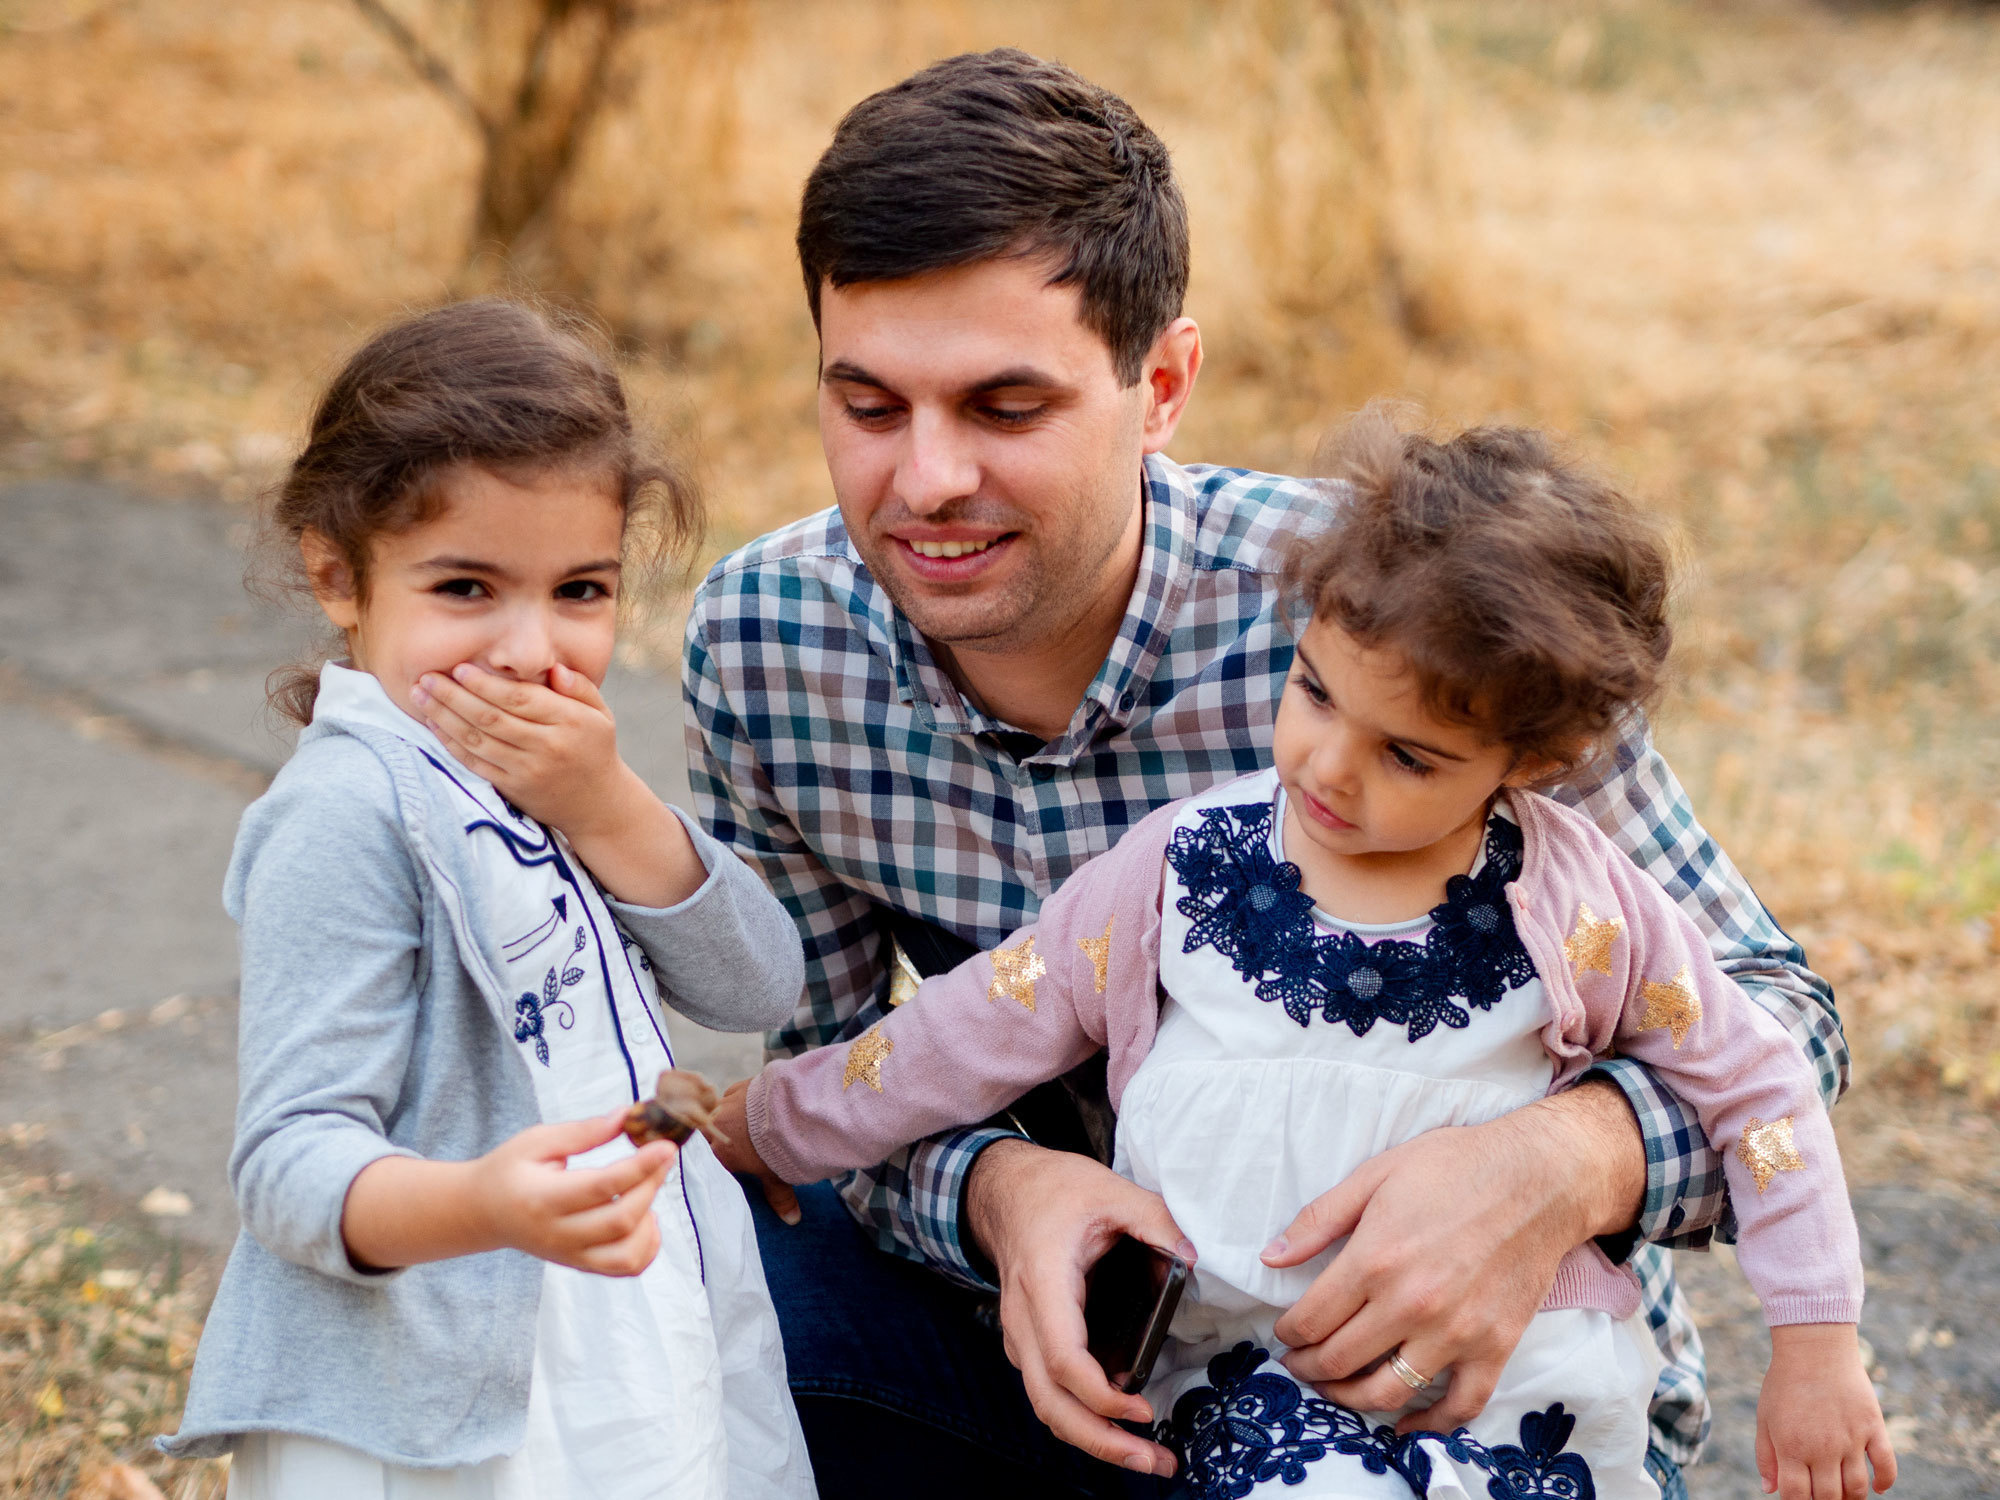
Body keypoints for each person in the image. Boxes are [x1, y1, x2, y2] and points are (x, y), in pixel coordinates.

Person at [673, 47, 1847, 1500]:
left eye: (1005, 408)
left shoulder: (1404, 614)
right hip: (1066, 1353)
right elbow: (824, 1078)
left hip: (1452, 1391)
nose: (924, 483)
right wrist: (996, 1190)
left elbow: (1782, 1021)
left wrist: (1558, 1168)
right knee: (680, 1284)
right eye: (868, 406)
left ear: (1161, 382)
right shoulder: (765, 641)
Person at [725, 410, 1898, 1500]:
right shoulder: (1179, 868)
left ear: (1531, 760)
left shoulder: (1585, 907)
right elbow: (957, 1035)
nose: (1330, 765)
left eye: (1408, 755)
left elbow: (1762, 1083)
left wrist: (1813, 1340)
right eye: (1313, 692)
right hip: (1244, 1389)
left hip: (1516, 1386)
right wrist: (769, 1123)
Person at [159, 300, 815, 1500]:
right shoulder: (349, 817)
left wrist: (608, 804)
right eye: (466, 588)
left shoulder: (555, 782)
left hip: (619, 1324)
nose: (530, 650)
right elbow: (290, 1163)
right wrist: (482, 1204)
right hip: (449, 1389)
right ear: (335, 575)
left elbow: (762, 981)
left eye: (579, 590)